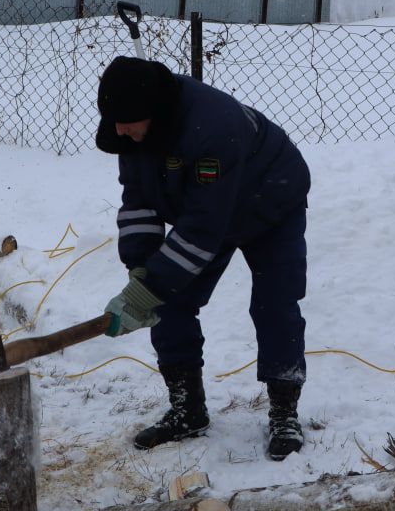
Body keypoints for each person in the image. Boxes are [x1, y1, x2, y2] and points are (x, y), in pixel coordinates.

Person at [96, 55, 311, 460]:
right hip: (208, 208)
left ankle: (284, 412)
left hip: (270, 201)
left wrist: (150, 287)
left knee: (275, 303)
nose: (119, 130)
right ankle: (187, 410)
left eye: (126, 121)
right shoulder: (132, 129)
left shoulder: (213, 126)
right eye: (114, 122)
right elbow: (139, 200)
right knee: (168, 298)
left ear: (152, 114)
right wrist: (141, 269)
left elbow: (202, 228)